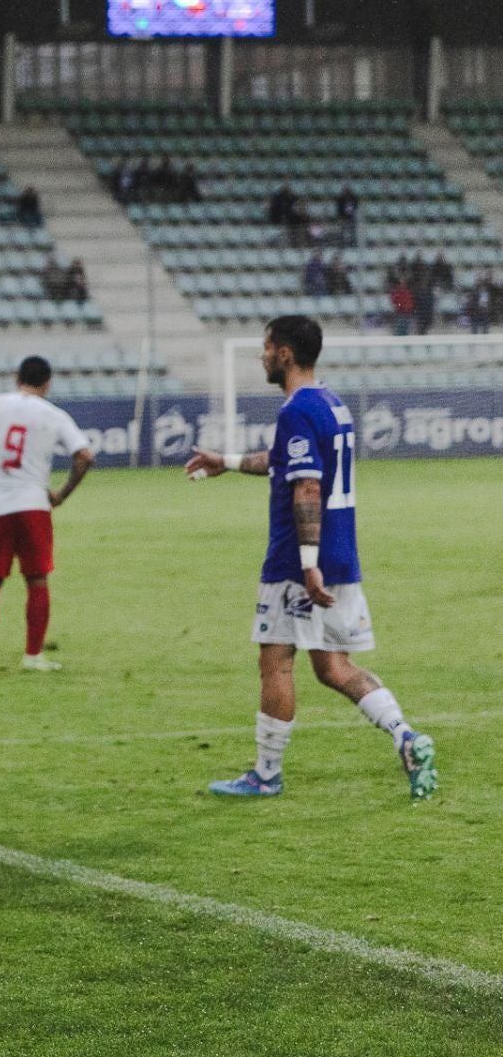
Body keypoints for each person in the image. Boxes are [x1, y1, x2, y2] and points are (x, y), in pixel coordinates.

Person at [183, 316, 437, 801]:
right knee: (332, 666)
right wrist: (229, 462)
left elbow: (306, 485)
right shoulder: (332, 404)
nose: (261, 355)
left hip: (298, 563)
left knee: (275, 661)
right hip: (342, 555)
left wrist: (306, 561)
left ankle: (266, 774)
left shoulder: (297, 410)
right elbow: (285, 462)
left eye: (266, 347)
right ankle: (407, 735)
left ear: (285, 354)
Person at [0, 357, 95, 676]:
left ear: (16, 378)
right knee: (36, 580)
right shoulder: (53, 414)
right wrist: (62, 494)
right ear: (48, 383)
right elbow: (84, 456)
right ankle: (32, 655)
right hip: (33, 503)